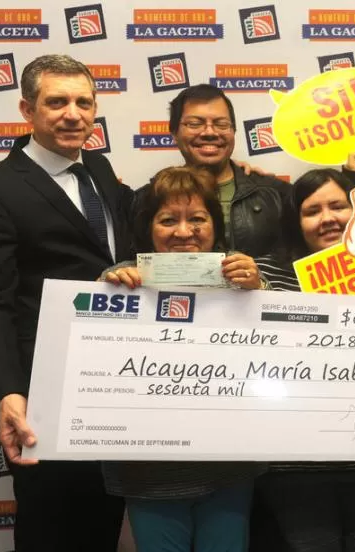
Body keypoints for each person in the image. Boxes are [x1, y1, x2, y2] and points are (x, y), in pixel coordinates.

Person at [0, 54, 131, 551]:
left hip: (112, 384)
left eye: (84, 102)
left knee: (102, 523)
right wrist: (6, 391)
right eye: (57, 102)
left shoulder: (102, 171)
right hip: (45, 391)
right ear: (27, 110)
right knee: (51, 528)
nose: (73, 114)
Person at [249, 168, 355, 552]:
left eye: (338, 206)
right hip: (296, 470)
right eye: (312, 210)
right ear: (296, 220)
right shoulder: (265, 276)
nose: (327, 218)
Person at [101, 166, 265, 552]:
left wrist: (260, 292)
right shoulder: (117, 281)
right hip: (151, 473)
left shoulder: (244, 277)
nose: (184, 231)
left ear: (214, 223)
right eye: (168, 219)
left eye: (197, 218)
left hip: (229, 467)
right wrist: (106, 297)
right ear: (148, 227)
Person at [163, 84, 355, 263]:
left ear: (233, 131)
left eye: (221, 124)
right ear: (174, 132)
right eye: (195, 124)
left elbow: (339, 238)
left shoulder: (273, 192)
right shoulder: (151, 197)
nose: (209, 132)